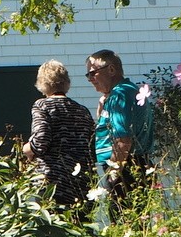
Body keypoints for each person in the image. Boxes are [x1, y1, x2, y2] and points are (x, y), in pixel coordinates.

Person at [85, 49, 153, 213]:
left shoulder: (120, 95)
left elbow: (123, 140)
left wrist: (113, 175)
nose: (90, 79)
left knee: (124, 221)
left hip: (126, 168)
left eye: (93, 73)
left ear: (111, 69)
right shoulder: (124, 92)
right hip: (132, 165)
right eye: (88, 75)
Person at [23, 61, 97, 209]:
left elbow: (41, 140)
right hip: (81, 182)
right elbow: (92, 146)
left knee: (52, 223)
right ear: (66, 82)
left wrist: (26, 149)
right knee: (80, 221)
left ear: (42, 83)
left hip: (52, 183)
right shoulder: (82, 110)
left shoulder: (42, 105)